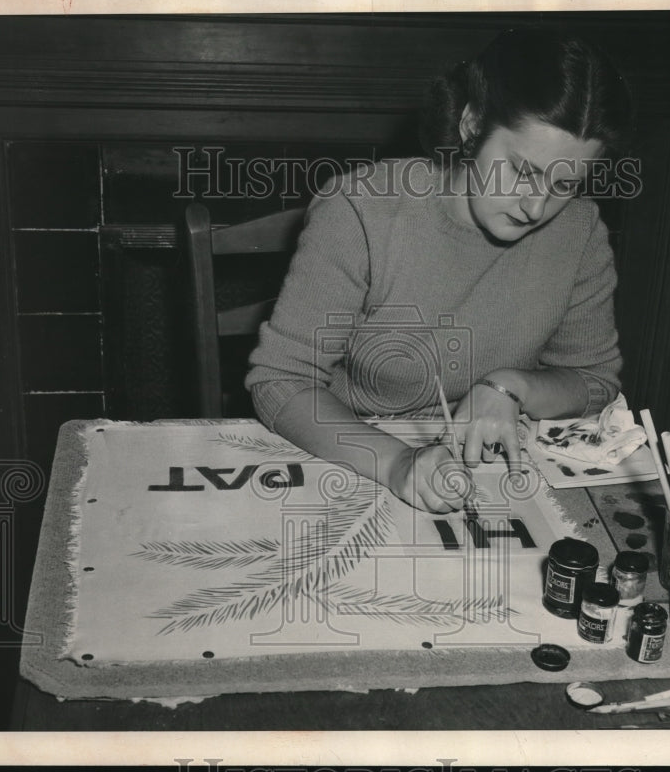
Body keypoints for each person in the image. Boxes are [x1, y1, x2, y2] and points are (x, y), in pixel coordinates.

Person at [245, 28, 634, 514]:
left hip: (492, 469)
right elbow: (281, 381)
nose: (536, 207)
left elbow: (595, 381)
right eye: (522, 171)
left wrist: (514, 386)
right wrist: (397, 464)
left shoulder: (580, 233)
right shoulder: (362, 209)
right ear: (472, 125)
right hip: (353, 454)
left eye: (566, 183)